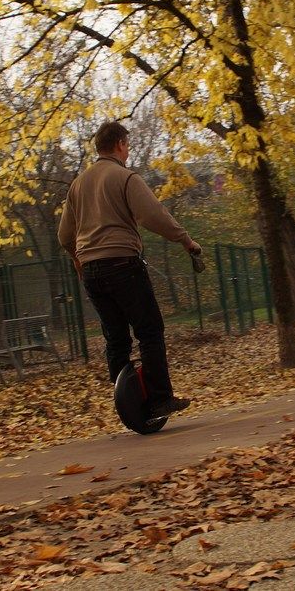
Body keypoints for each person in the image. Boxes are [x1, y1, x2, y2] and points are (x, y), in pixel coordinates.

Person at [58, 121, 198, 420]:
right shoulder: (124, 177)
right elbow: (152, 214)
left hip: (92, 272)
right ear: (120, 144)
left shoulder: (77, 185)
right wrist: (185, 241)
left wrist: (77, 258)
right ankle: (160, 399)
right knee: (149, 331)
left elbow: (64, 235)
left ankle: (128, 403)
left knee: (116, 338)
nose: (129, 151)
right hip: (123, 264)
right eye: (128, 145)